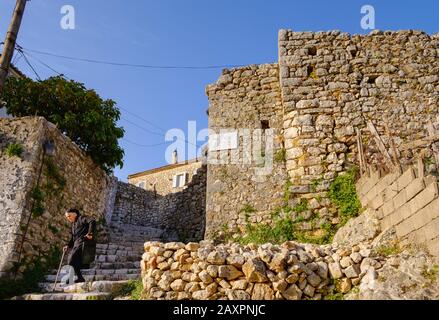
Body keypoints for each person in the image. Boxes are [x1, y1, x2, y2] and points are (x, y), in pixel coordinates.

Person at [63, 208, 96, 283]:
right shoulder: (73, 224)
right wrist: (68, 245)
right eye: (67, 217)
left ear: (75, 214)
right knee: (73, 261)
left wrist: (90, 233)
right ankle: (80, 278)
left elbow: (92, 221)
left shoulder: (81, 218)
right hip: (76, 244)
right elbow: (73, 237)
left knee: (71, 259)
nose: (68, 218)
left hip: (83, 243)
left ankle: (71, 277)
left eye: (69, 216)